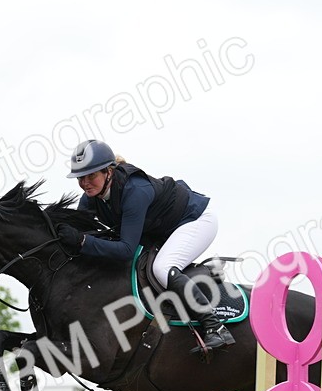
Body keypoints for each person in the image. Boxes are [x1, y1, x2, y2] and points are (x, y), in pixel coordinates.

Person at [61, 139, 234, 355]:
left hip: (196, 221)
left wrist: (82, 242)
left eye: (91, 176)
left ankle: (215, 327)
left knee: (161, 268)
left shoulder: (135, 191)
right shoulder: (91, 197)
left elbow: (125, 249)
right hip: (162, 230)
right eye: (80, 178)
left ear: (108, 172)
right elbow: (77, 228)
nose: (85, 183)